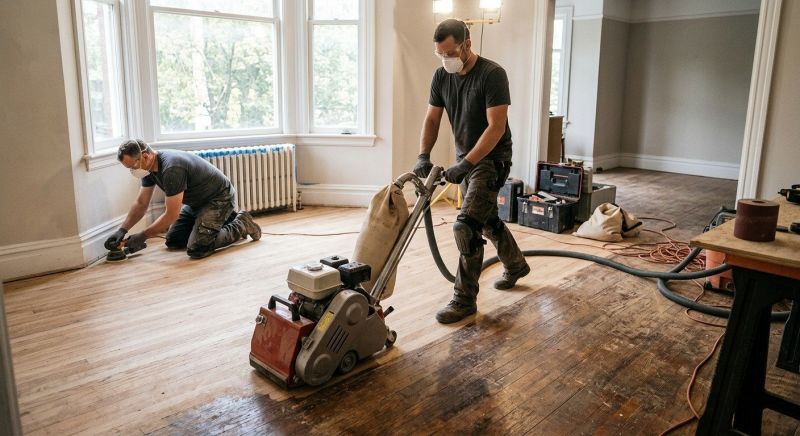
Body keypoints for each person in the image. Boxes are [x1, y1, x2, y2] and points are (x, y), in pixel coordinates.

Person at [413, 19, 530, 324]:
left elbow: (496, 127)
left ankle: (464, 300)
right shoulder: (441, 76)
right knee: (486, 219)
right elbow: (432, 120)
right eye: (440, 55)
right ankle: (516, 264)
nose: (445, 60)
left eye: (450, 53)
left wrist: (466, 165)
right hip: (467, 159)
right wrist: (423, 155)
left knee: (465, 226)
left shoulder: (492, 74)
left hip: (492, 160)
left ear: (466, 44)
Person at [105, 139, 262, 259]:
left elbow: (171, 214)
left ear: (145, 156)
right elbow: (141, 203)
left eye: (132, 166)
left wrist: (143, 235)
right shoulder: (149, 169)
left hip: (219, 198)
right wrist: (122, 230)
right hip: (197, 203)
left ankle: (242, 223)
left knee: (198, 248)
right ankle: (216, 223)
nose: (132, 171)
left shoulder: (171, 168)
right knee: (173, 241)